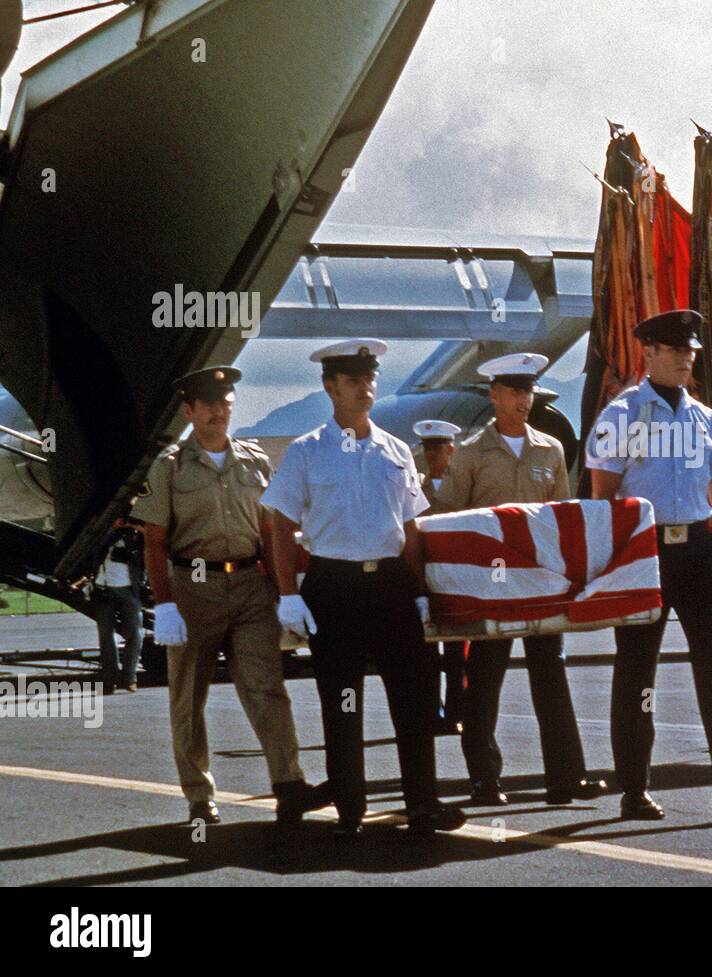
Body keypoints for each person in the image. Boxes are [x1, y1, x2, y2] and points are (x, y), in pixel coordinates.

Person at [262, 340, 465, 837]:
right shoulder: (306, 452)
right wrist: (288, 594)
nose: (365, 389)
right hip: (335, 586)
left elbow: (412, 528)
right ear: (329, 387)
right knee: (343, 700)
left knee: (413, 698)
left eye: (370, 379)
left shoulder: (395, 450)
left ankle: (422, 804)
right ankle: (350, 807)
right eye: (353, 381)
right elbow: (279, 526)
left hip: (392, 587)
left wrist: (419, 589)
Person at [587, 308, 712, 822]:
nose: (684, 359)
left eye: (690, 351)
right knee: (637, 672)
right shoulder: (621, 416)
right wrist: (611, 570)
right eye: (674, 350)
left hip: (696, 550)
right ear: (647, 354)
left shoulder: (705, 419)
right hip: (643, 551)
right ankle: (633, 788)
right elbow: (602, 500)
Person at [132, 367, 325, 825]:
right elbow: (154, 540)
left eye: (225, 402)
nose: (219, 411)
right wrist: (164, 604)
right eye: (208, 404)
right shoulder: (170, 467)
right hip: (192, 587)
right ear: (189, 411)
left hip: (249, 588)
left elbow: (268, 529)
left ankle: (289, 785)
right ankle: (199, 795)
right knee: (188, 696)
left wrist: (286, 593)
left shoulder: (255, 461)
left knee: (267, 689)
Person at [435, 353, 605, 806]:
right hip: (490, 588)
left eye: (528, 391)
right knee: (484, 681)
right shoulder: (470, 453)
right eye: (513, 391)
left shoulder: (550, 449)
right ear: (493, 395)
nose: (523, 400)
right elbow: (449, 519)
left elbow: (559, 518)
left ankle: (566, 778)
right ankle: (484, 780)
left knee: (551, 675)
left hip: (538, 586)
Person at [413, 419, 465, 735]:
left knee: (458, 652)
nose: (432, 453)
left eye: (438, 447)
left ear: (451, 450)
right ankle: (430, 711)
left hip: (456, 577)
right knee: (426, 652)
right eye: (428, 448)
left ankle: (457, 711)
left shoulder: (462, 486)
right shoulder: (416, 488)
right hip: (426, 578)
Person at [92, 518, 145, 694]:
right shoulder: (103, 534)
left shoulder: (134, 536)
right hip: (103, 587)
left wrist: (131, 527)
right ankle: (110, 680)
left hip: (127, 587)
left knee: (135, 633)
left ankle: (129, 677)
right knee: (106, 636)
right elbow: (96, 550)